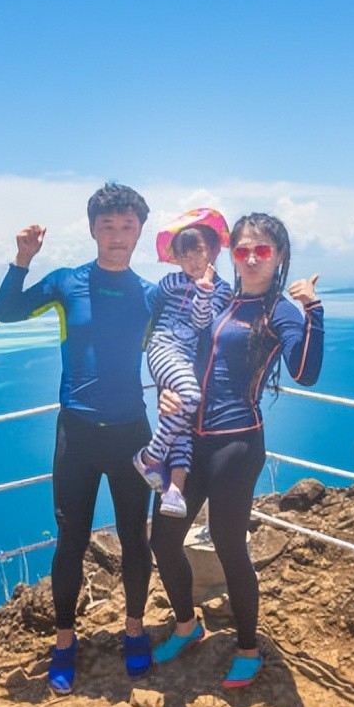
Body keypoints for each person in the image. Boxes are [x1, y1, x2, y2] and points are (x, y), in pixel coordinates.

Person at [0, 182, 160, 695]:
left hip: (132, 432)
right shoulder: (67, 282)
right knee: (71, 540)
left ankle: (134, 631)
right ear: (92, 229)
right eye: (106, 225)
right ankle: (65, 641)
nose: (116, 235)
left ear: (139, 232)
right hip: (78, 435)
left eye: (126, 226)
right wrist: (21, 260)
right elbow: (6, 312)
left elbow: (193, 339)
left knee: (136, 538)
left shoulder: (151, 295)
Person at [149, 212, 324, 689]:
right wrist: (168, 390)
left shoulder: (278, 309)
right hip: (188, 439)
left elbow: (305, 372)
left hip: (236, 444)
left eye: (261, 250)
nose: (249, 258)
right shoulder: (221, 296)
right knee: (162, 540)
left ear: (279, 257)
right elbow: (186, 352)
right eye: (242, 249)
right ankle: (188, 626)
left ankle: (248, 648)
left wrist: (314, 312)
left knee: (229, 547)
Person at [132, 208, 233, 519]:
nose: (192, 261)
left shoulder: (222, 290)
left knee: (182, 422)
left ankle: (174, 490)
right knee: (189, 397)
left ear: (212, 251)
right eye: (184, 254)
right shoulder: (169, 282)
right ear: (176, 257)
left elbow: (203, 322)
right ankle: (150, 456)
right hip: (163, 349)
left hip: (186, 357)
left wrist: (204, 291)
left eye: (198, 252)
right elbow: (149, 313)